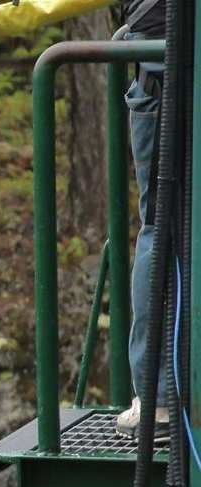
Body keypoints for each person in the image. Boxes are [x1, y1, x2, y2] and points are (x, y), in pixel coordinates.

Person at [115, 0, 169, 442]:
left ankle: (159, 397)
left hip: (162, 74)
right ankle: (160, 394)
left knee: (159, 228)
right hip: (167, 69)